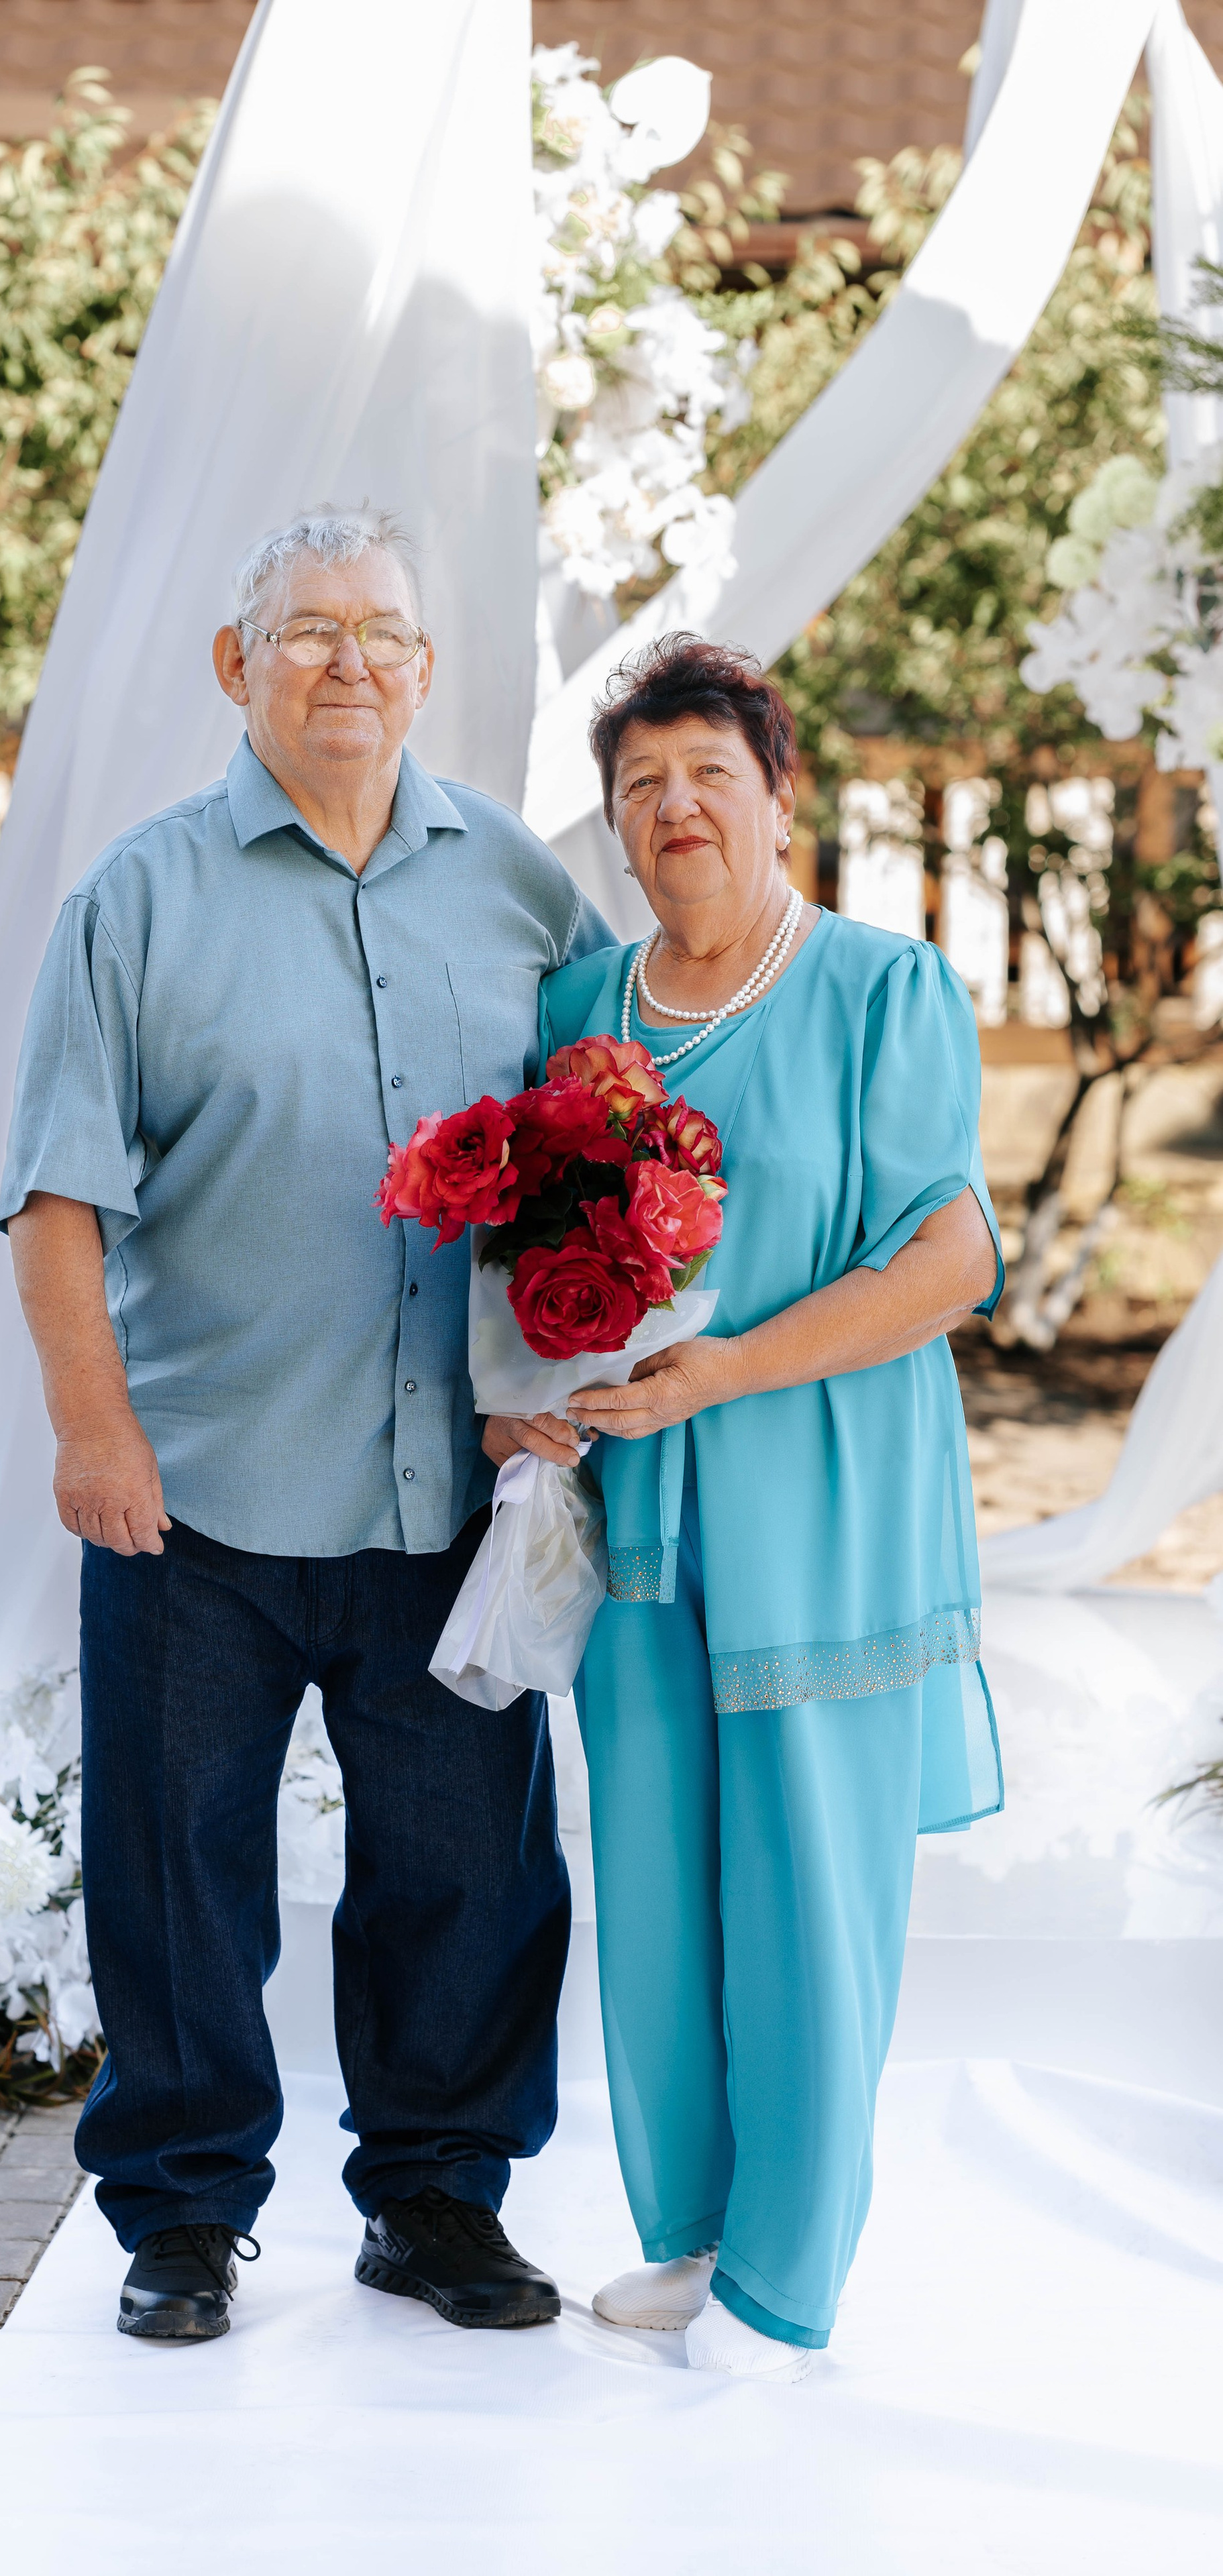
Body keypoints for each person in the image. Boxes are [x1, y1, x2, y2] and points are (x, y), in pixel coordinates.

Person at [0, 506, 613, 2343]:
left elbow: (607, 1145)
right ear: (236, 665)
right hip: (197, 1494)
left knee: (466, 1868)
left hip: (449, 1489)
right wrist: (91, 1432)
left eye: (385, 631)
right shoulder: (142, 896)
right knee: (179, 1872)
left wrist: (569, 1367)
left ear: (429, 669)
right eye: (310, 629)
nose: (350, 660)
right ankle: (182, 2217)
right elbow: (56, 1201)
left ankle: (435, 2198)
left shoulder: (518, 886)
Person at [488, 634, 1005, 2383]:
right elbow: (535, 1260)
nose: (677, 806)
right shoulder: (583, 1016)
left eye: (709, 770)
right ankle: (694, 2233)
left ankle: (788, 2288)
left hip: (822, 1500)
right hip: (640, 1519)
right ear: (619, 833)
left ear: (778, 795)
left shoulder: (885, 989)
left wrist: (733, 1370)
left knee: (807, 1889)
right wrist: (538, 1382)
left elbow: (952, 1254)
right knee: (657, 1878)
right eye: (642, 787)